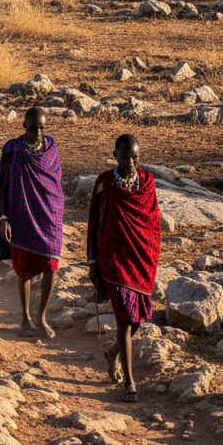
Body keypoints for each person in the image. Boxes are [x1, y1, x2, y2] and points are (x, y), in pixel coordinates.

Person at [88, 133, 161, 404]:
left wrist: (152, 254)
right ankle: (130, 382)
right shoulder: (104, 183)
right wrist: (93, 261)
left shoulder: (147, 182)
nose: (130, 162)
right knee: (123, 318)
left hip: (141, 258)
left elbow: (152, 222)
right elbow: (94, 223)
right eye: (125, 157)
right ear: (115, 155)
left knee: (137, 320)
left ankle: (114, 352)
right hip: (113, 259)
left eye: (135, 157)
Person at [0, 107, 64, 338]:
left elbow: (55, 182)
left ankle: (41, 316)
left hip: (48, 215)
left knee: (51, 265)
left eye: (42, 128)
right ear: (24, 126)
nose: (38, 132)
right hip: (21, 214)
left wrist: (57, 210)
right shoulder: (13, 150)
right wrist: (3, 217)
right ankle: (25, 318)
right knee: (23, 270)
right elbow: (3, 186)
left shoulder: (51, 149)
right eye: (34, 128)